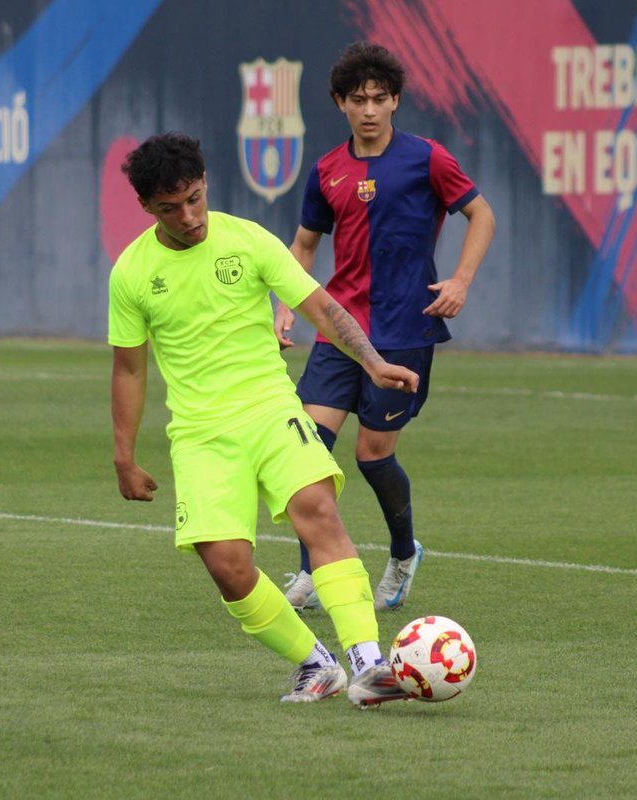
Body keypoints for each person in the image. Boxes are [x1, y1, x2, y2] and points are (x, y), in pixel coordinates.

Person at [109, 133, 421, 705]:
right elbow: (129, 370)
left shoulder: (247, 240)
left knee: (318, 510)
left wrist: (373, 363)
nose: (189, 216)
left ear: (206, 184)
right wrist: (124, 457)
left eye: (196, 199)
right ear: (147, 207)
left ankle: (371, 664)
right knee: (228, 567)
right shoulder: (130, 273)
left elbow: (320, 306)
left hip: (271, 409)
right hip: (201, 435)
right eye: (170, 208)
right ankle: (315, 664)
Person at [274, 42, 495, 612]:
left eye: (379, 98)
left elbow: (481, 214)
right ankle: (313, 572)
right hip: (340, 329)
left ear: (395, 100)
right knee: (306, 453)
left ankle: (402, 552)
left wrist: (461, 281)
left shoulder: (427, 158)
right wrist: (284, 306)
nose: (369, 109)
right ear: (340, 104)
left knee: (372, 457)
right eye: (357, 99)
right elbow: (303, 245)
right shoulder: (326, 169)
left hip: (403, 331)